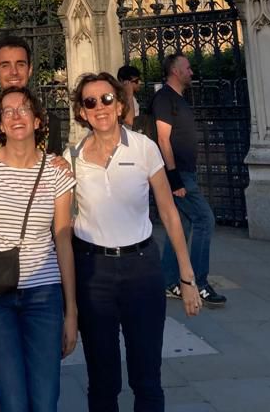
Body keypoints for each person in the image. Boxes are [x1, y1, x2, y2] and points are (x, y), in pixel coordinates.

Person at [67, 71, 201, 412]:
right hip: (93, 272)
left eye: (107, 99)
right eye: (90, 102)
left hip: (141, 269)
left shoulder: (144, 148)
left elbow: (169, 213)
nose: (100, 107)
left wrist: (186, 276)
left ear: (119, 104)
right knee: (102, 379)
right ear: (82, 112)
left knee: (147, 376)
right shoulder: (71, 159)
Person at [0, 86, 77, 412]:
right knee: (12, 400)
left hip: (43, 293)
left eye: (24, 109)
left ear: (38, 120)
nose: (16, 116)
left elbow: (63, 239)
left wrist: (71, 311)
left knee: (45, 400)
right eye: (8, 111)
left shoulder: (57, 170)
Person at [153, 53, 227, 307]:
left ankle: (168, 280)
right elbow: (163, 139)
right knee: (205, 219)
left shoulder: (179, 99)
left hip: (185, 172)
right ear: (175, 71)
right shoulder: (164, 98)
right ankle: (199, 283)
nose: (191, 72)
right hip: (179, 175)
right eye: (188, 68)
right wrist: (174, 179)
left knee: (182, 225)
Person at [0, 35, 63, 157]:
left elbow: (55, 165)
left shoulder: (48, 123)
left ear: (30, 69)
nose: (14, 72)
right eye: (5, 65)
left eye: (20, 64)